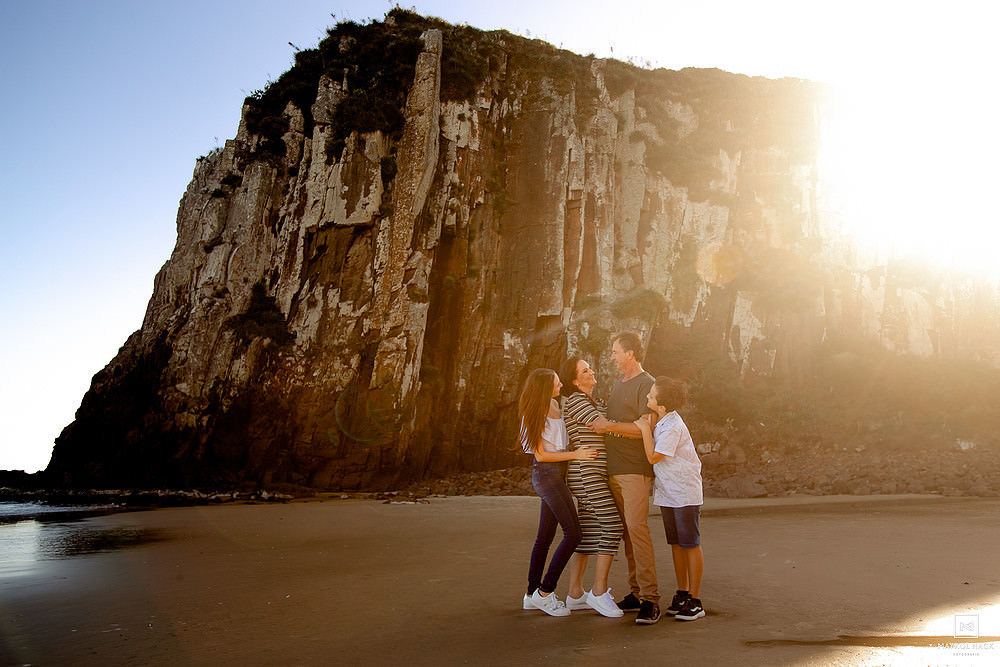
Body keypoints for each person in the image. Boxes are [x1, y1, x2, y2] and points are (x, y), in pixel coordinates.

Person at [589, 332, 660, 624]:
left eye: (616, 351)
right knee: (627, 535)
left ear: (630, 353)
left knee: (638, 531)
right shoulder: (618, 385)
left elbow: (647, 427)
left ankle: (650, 600)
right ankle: (635, 592)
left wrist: (608, 427)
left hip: (635, 470)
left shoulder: (647, 384)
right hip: (613, 470)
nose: (612, 356)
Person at [518, 368, 598, 617]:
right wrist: (576, 454)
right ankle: (545, 592)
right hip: (546, 475)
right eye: (556, 382)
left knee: (544, 537)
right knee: (574, 534)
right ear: (544, 386)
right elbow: (540, 455)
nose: (561, 385)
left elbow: (562, 439)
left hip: (557, 475)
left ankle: (531, 595)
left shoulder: (555, 405)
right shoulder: (534, 413)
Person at [634, 376, 706, 621]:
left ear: (662, 406)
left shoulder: (673, 425)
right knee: (676, 544)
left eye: (651, 396)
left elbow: (654, 457)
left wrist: (644, 429)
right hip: (668, 493)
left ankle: (695, 601)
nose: (647, 398)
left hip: (684, 493)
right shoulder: (664, 420)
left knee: (690, 544)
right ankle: (682, 593)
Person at [559, 356, 625, 619]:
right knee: (612, 524)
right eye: (585, 371)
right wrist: (639, 427)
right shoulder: (576, 400)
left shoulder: (589, 401)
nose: (591, 372)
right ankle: (598, 592)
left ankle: (575, 594)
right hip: (586, 474)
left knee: (587, 533)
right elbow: (602, 426)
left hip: (591, 472)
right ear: (575, 381)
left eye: (590, 368)